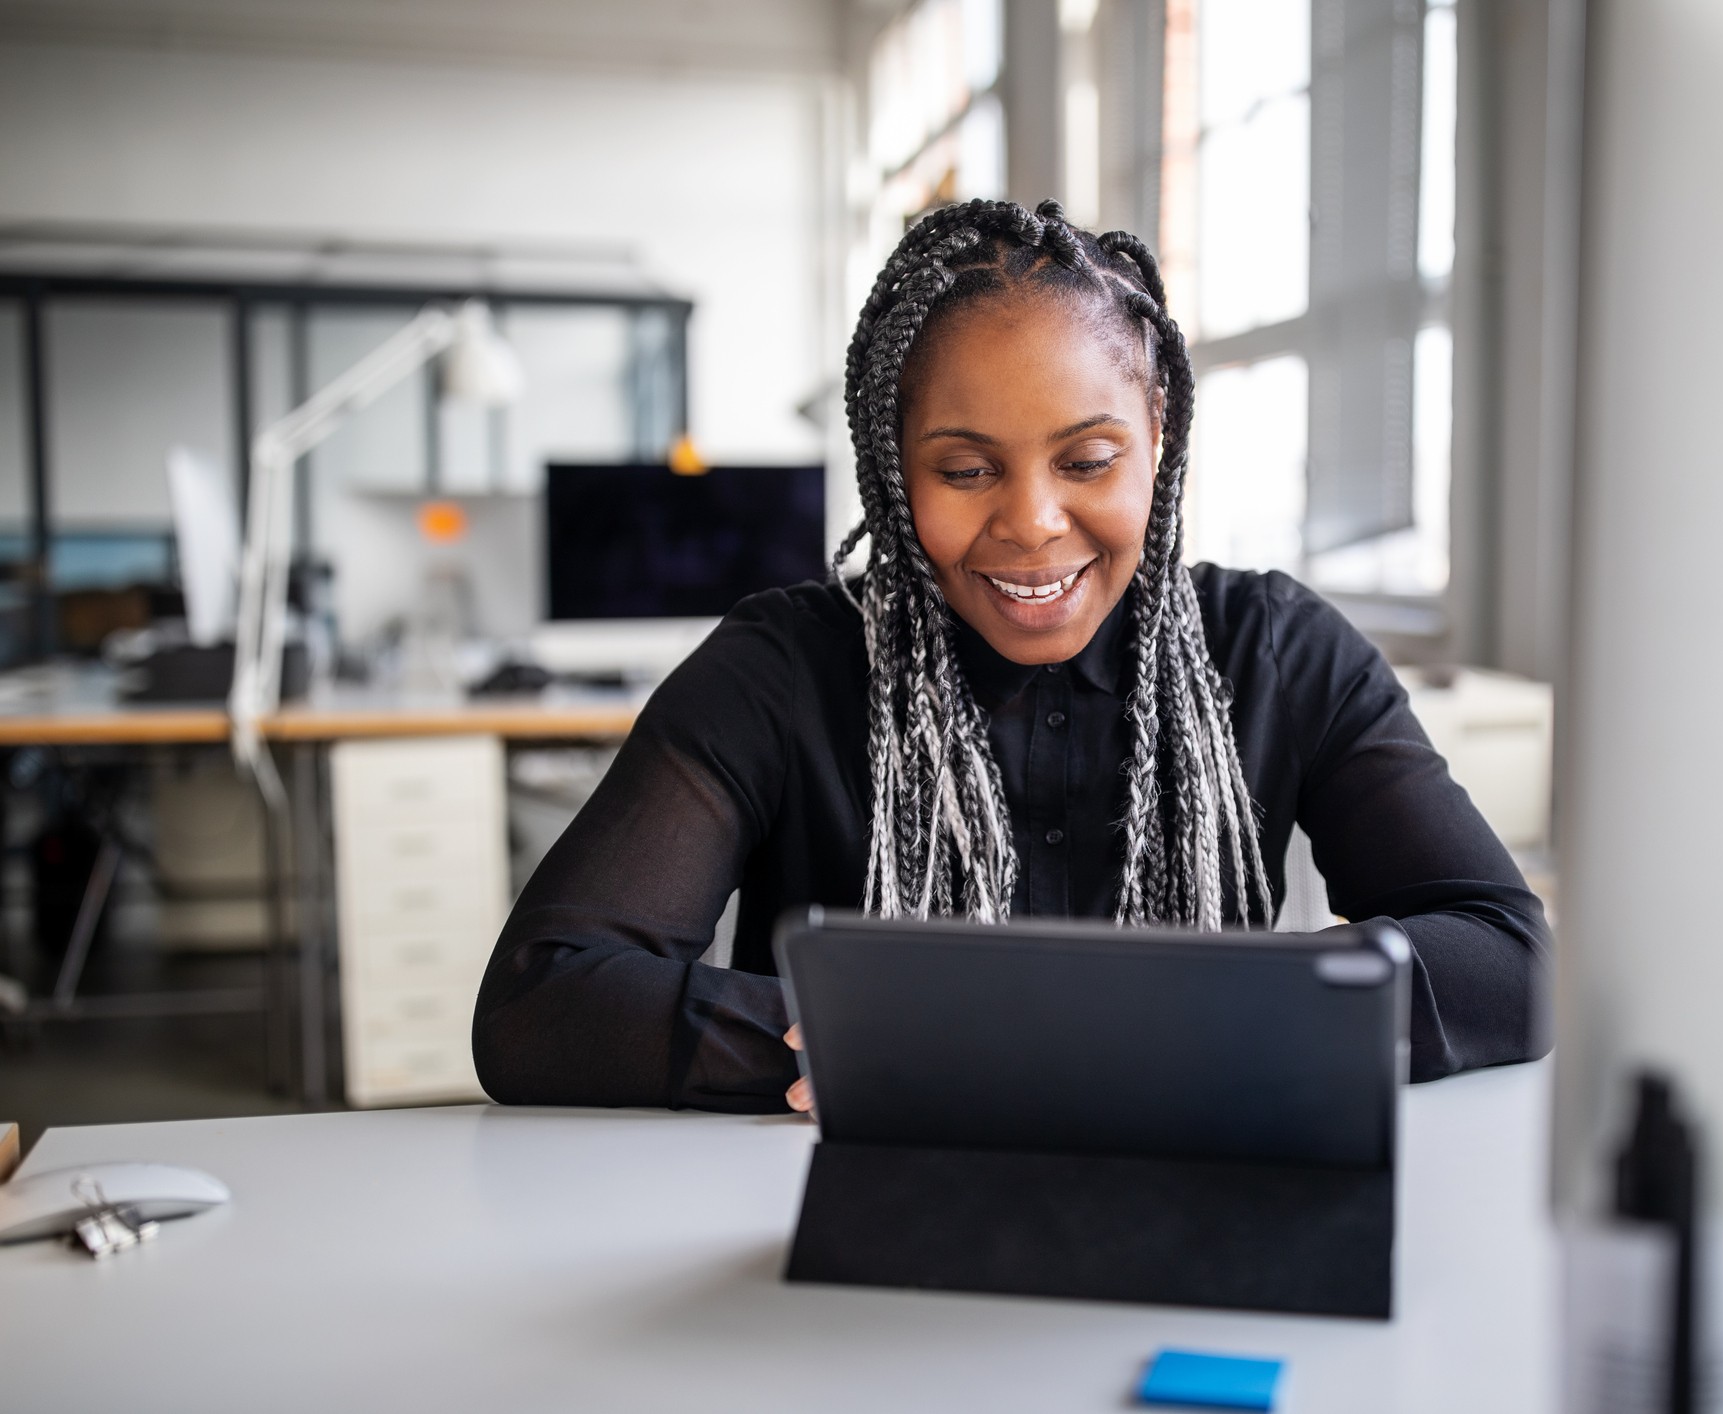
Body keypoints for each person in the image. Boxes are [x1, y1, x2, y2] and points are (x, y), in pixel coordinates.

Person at [472, 199, 1549, 1114]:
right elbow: (540, 1002)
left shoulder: (1276, 651)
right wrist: (871, 1035)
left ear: (1158, 430)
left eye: (1087, 458)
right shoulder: (779, 672)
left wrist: (1211, 1018)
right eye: (966, 469)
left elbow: (1509, 958)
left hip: (1196, 1208)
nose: (1034, 522)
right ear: (894, 466)